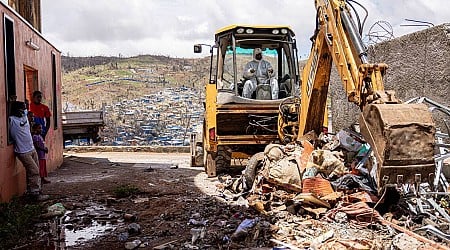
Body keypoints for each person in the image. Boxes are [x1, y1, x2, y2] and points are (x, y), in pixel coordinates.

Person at [8, 101, 48, 201]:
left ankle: (35, 191)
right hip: (23, 151)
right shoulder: (11, 120)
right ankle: (34, 194)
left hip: (31, 148)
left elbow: (26, 106)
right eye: (22, 109)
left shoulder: (24, 116)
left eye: (24, 109)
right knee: (34, 171)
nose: (24, 111)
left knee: (35, 171)